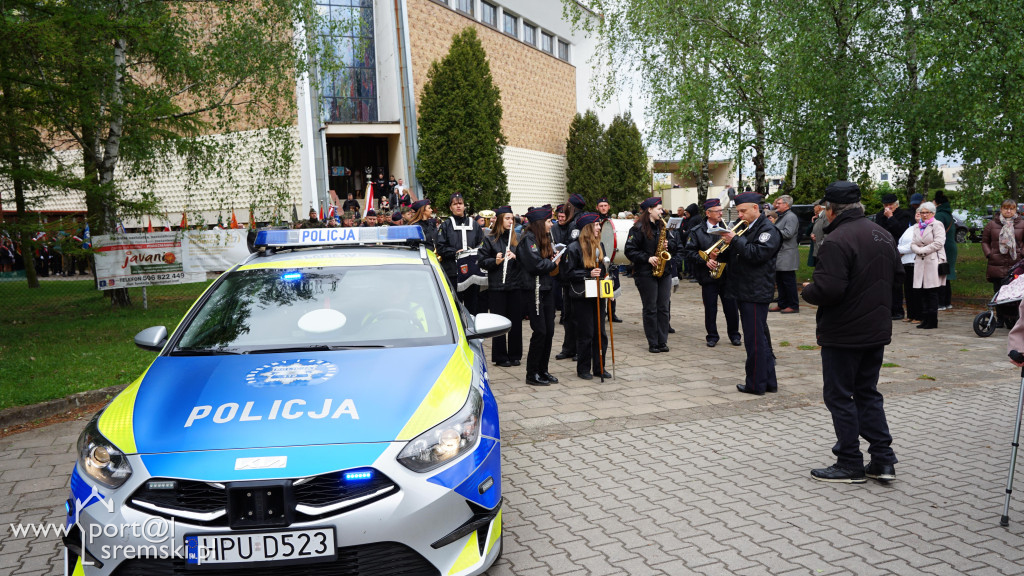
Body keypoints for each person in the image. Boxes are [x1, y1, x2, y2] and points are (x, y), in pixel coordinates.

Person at [801, 180, 902, 484]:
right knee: (867, 393)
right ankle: (883, 460)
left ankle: (849, 462)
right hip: (875, 328)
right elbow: (898, 276)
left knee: (840, 395)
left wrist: (809, 291)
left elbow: (830, 289)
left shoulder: (837, 240)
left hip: (844, 332)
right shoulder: (882, 234)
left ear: (830, 211)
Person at [720, 191, 781, 395]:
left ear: (756, 208)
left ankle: (756, 384)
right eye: (738, 211)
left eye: (743, 211)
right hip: (745, 289)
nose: (740, 215)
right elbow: (741, 254)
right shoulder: (749, 228)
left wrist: (734, 240)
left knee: (754, 341)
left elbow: (756, 254)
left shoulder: (768, 230)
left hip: (755, 291)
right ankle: (768, 381)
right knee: (760, 338)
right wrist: (721, 253)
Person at [684, 198, 741, 347]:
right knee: (710, 307)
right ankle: (712, 336)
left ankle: (734, 335)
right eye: (717, 211)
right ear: (708, 213)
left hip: (727, 273)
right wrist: (705, 260)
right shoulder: (696, 231)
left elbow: (736, 251)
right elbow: (689, 252)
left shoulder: (728, 229)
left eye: (721, 210)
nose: (721, 213)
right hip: (707, 274)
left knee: (731, 307)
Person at [563, 212, 610, 379]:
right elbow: (567, 273)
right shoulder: (573, 247)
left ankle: (600, 367)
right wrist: (587, 273)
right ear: (588, 228)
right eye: (596, 225)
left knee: (600, 333)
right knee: (586, 333)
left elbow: (603, 268)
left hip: (598, 293)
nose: (599, 228)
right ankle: (583, 369)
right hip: (582, 294)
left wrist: (604, 273)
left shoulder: (600, 245)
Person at [517, 206, 561, 386]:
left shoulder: (544, 238)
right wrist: (553, 262)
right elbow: (536, 265)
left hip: (546, 287)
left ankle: (543, 370)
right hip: (533, 289)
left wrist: (554, 257)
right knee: (540, 331)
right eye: (549, 221)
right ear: (540, 223)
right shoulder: (528, 240)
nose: (552, 224)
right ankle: (532, 373)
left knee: (549, 331)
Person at [625, 197, 674, 353]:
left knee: (664, 308)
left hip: (663, 272)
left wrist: (668, 245)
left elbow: (676, 246)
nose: (662, 211)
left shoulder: (662, 227)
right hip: (645, 273)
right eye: (659, 208)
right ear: (649, 210)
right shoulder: (637, 228)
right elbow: (630, 251)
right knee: (651, 308)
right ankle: (653, 342)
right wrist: (647, 258)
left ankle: (662, 341)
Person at [478, 206, 525, 368]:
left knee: (515, 322)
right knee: (498, 323)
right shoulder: (489, 239)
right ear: (499, 220)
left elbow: (527, 262)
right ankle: (500, 356)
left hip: (515, 285)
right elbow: (482, 261)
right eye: (507, 218)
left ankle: (515, 354)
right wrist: (495, 261)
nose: (510, 221)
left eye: (511, 218)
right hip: (497, 286)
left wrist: (517, 257)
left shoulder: (517, 238)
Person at [438, 193, 485, 313]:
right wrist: (455, 252)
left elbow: (482, 244)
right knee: (455, 307)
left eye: (460, 203)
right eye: (455, 204)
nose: (458, 206)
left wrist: (474, 252)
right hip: (453, 272)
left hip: (472, 271)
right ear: (450, 207)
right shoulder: (446, 225)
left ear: (464, 206)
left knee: (473, 306)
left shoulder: (474, 224)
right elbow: (440, 247)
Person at [982, 200, 1024, 327]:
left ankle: (1013, 319)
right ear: (1001, 209)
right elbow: (984, 241)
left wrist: (1022, 253)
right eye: (1006, 208)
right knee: (998, 292)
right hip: (996, 263)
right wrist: (989, 254)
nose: (1009, 211)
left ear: (1016, 210)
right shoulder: (992, 224)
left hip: (1016, 264)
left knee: (1014, 293)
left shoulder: (1022, 224)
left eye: (1012, 208)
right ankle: (1000, 319)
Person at [556, 193, 587, 361]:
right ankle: (569, 348)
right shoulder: (573, 220)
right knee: (568, 314)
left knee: (574, 314)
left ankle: (574, 349)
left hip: (573, 274)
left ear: (572, 207)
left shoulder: (577, 222)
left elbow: (571, 245)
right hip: (569, 275)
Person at [874, 193, 913, 319]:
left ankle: (897, 310)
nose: (888, 207)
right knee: (884, 281)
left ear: (896, 205)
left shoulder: (904, 215)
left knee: (896, 282)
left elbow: (902, 231)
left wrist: (891, 218)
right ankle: (885, 309)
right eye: (885, 205)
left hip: (898, 250)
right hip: (883, 250)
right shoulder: (880, 215)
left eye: (890, 205)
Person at [911, 202, 947, 329]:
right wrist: (917, 249)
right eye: (922, 212)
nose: (924, 215)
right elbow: (913, 243)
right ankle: (925, 319)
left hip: (933, 260)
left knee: (931, 292)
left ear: (932, 213)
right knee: (922, 292)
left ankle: (932, 320)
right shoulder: (917, 226)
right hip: (920, 262)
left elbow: (939, 243)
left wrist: (922, 250)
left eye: (927, 212)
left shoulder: (937, 224)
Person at [770, 195, 800, 313]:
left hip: (787, 254)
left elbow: (788, 233)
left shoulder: (791, 217)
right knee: (781, 281)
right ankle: (782, 304)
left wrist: (772, 230)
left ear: (786, 205)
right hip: (781, 254)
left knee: (788, 281)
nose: (776, 205)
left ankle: (793, 305)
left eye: (779, 203)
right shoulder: (783, 216)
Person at [933, 191, 957, 310]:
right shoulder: (949, 214)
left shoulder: (939, 215)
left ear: (937, 203)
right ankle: (947, 302)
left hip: (942, 247)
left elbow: (935, 232)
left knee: (941, 275)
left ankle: (941, 303)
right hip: (950, 246)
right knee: (946, 274)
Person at [897, 216, 922, 324]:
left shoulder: (924, 229)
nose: (918, 215)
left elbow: (914, 245)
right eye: (917, 213)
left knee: (916, 290)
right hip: (905, 261)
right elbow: (901, 242)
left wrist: (898, 250)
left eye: (921, 213)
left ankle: (919, 315)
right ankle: (910, 314)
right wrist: (898, 249)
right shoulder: (910, 228)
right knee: (908, 290)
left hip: (915, 261)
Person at [809, 200, 827, 267]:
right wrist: (812, 234)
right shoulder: (819, 216)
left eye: (815, 206)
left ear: (820, 207)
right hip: (818, 250)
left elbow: (827, 232)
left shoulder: (826, 216)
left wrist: (820, 243)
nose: (813, 208)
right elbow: (816, 229)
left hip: (822, 251)